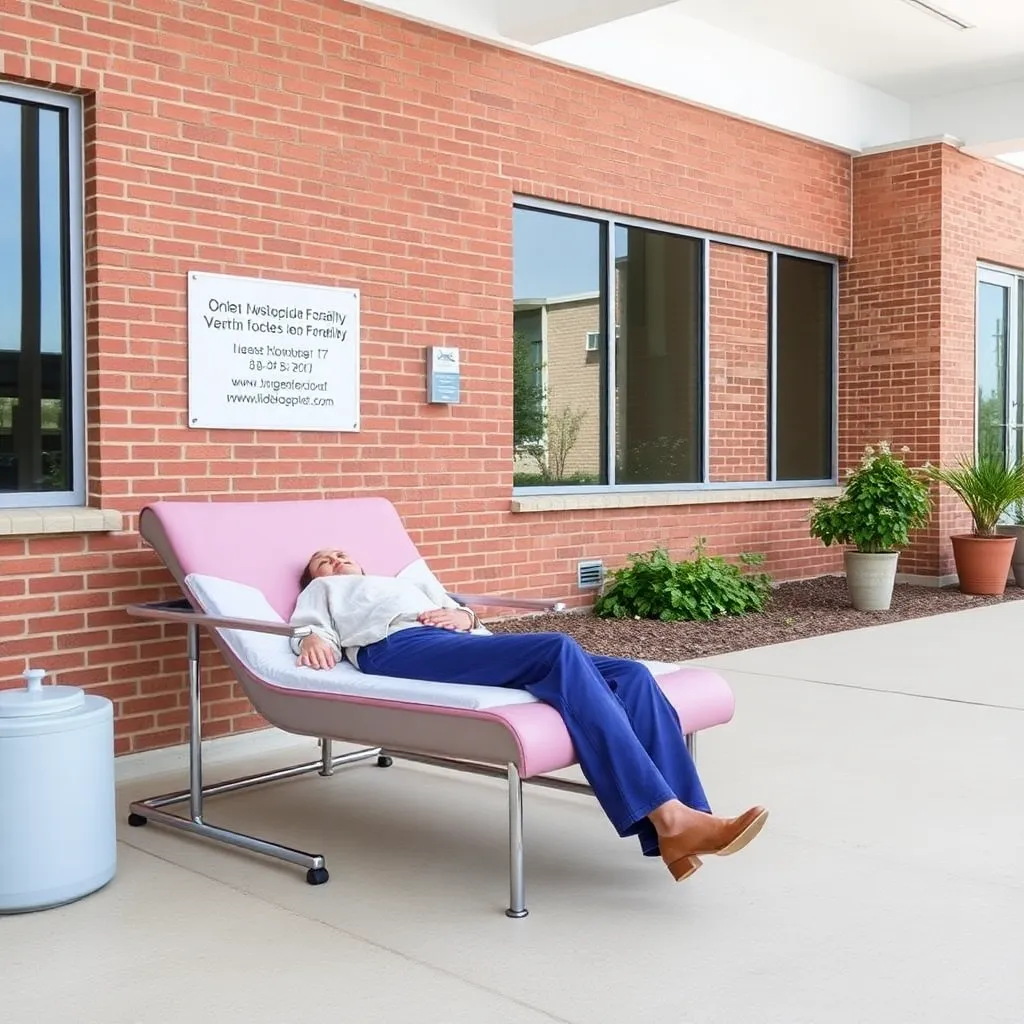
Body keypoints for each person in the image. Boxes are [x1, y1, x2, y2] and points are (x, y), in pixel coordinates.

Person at [290, 548, 768, 881]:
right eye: (322, 561)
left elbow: (461, 612)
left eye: (341, 554)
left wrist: (465, 617)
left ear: (363, 561)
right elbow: (308, 627)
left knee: (632, 676)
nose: (334, 560)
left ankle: (686, 820)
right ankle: (672, 820)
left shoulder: (402, 583)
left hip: (454, 639)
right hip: (397, 648)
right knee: (555, 649)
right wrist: (313, 638)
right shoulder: (327, 590)